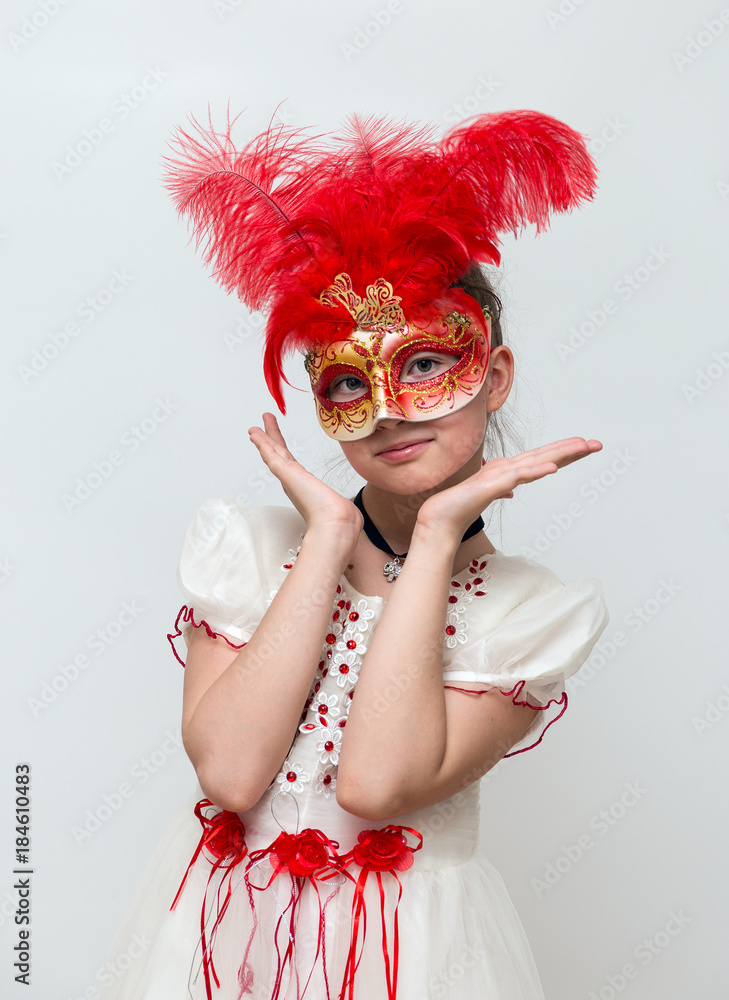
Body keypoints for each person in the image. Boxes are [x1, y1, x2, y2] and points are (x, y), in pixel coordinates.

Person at [100, 109, 609, 999]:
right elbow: (227, 772)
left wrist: (443, 529)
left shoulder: (531, 617)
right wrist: (329, 537)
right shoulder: (253, 553)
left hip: (406, 958)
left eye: (421, 367)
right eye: (346, 383)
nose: (385, 411)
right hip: (218, 943)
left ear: (491, 376)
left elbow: (378, 784)